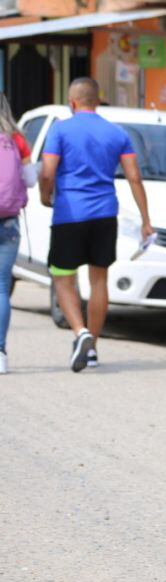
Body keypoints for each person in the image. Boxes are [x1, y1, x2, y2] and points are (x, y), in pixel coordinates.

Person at [38, 77, 152, 372]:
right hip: (104, 215)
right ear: (97, 101)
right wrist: (146, 221)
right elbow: (134, 178)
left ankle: (80, 332)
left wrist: (44, 196)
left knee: (63, 278)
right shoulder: (117, 133)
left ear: (72, 102)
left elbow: (48, 172)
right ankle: (92, 351)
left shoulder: (60, 129)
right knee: (98, 280)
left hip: (69, 215)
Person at [0, 92, 33, 375]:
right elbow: (31, 179)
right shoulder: (18, 139)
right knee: (1, 289)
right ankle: (0, 353)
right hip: (9, 222)